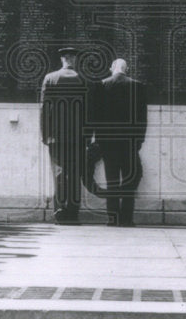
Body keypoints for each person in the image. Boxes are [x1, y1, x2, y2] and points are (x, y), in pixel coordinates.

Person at [92, 58, 147, 226]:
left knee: (112, 180)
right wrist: (139, 141)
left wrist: (98, 140)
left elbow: (96, 116)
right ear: (127, 69)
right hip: (129, 143)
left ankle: (112, 218)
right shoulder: (137, 86)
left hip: (108, 144)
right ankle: (126, 218)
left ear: (111, 69)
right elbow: (142, 118)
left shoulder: (102, 84)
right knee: (131, 179)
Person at [40, 46, 90, 224]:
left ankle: (60, 211)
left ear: (62, 59)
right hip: (77, 137)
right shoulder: (83, 79)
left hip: (56, 136)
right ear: (74, 60)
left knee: (59, 173)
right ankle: (73, 213)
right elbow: (87, 111)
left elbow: (45, 108)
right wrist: (88, 135)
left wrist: (45, 134)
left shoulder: (50, 78)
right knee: (75, 174)